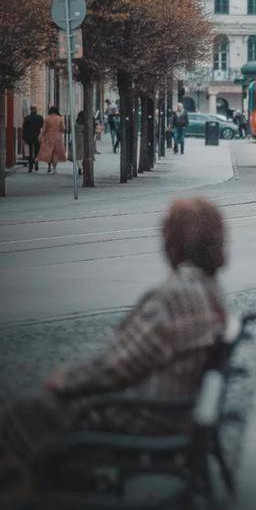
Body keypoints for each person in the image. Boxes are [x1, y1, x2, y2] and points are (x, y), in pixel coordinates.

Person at [0, 198, 228, 490]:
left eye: (166, 235)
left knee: (25, 410)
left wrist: (64, 380)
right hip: (178, 409)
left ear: (174, 243)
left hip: (147, 414)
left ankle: (37, 493)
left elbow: (118, 366)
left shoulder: (176, 296)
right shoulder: (210, 288)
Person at [36, 106, 67, 174]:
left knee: (48, 152)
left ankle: (49, 167)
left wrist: (40, 136)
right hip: (58, 137)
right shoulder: (60, 118)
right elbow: (63, 128)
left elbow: (43, 129)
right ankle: (54, 169)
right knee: (55, 153)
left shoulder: (47, 118)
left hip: (48, 137)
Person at [22, 106, 43, 173]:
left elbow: (24, 129)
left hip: (29, 137)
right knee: (37, 151)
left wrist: (23, 138)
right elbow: (42, 126)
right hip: (37, 136)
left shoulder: (27, 118)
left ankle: (30, 167)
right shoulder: (40, 118)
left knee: (29, 152)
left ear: (30, 110)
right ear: (35, 110)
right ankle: (36, 161)